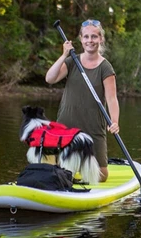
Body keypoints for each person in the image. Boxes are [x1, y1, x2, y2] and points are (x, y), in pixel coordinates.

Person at [45, 19, 119, 182]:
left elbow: (112, 99)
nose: (90, 41)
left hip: (93, 126)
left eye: (94, 37)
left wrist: (114, 121)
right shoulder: (72, 61)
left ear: (101, 39)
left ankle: (78, 167)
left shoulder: (105, 67)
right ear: (81, 39)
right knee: (58, 168)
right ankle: (73, 168)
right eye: (86, 37)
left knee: (102, 176)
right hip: (67, 124)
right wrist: (64, 54)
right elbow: (50, 78)